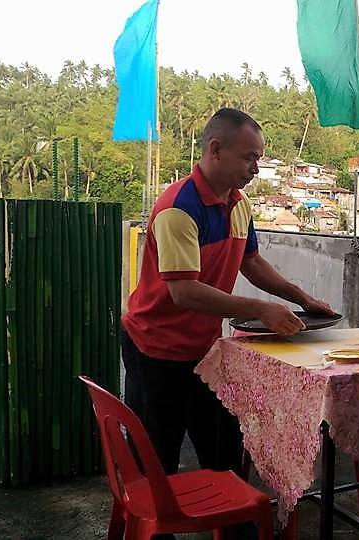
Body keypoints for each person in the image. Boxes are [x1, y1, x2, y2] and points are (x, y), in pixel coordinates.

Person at [121, 108, 334, 480]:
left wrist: (302, 298)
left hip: (205, 348)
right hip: (155, 350)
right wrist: (261, 308)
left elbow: (250, 262)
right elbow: (183, 291)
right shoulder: (177, 208)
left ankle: (235, 521)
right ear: (215, 149)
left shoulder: (239, 203)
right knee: (157, 461)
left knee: (224, 451)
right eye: (249, 157)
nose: (255, 168)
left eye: (258, 159)